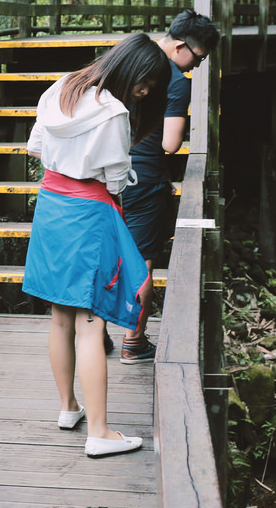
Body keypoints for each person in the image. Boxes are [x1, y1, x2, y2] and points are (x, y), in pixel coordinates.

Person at [23, 33, 170, 458]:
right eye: (147, 84)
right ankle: (100, 433)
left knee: (60, 317)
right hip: (88, 214)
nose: (145, 93)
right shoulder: (114, 112)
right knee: (91, 324)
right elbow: (115, 179)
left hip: (51, 207)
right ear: (135, 71)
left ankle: (69, 408)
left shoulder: (62, 87)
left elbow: (36, 146)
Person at [120, 10, 220, 364]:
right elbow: (170, 143)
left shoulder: (129, 56)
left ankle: (93, 332)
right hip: (144, 175)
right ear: (180, 47)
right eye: (199, 58)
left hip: (107, 168)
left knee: (106, 253)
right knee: (142, 260)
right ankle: (133, 341)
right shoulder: (175, 78)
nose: (196, 67)